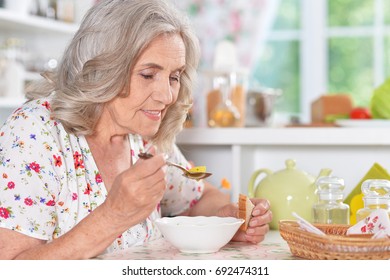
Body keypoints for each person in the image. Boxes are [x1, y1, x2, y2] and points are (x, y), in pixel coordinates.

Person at [0, 0, 272, 259]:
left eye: (174, 77)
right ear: (102, 69)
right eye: (148, 75)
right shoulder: (36, 132)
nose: (167, 96)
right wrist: (114, 215)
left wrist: (228, 219)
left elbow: (200, 198)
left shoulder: (142, 138)